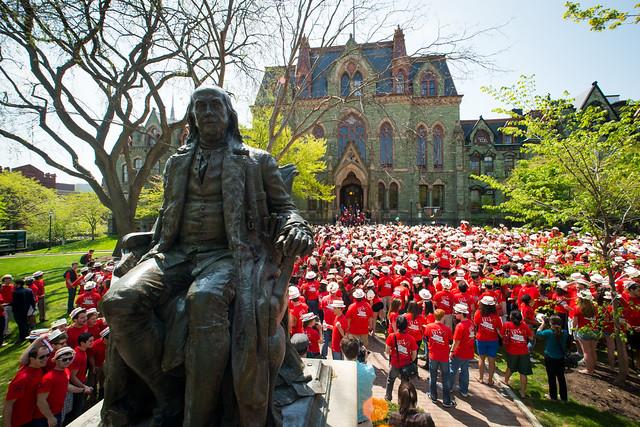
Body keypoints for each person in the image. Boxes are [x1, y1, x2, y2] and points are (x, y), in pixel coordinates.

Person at [102, 87, 315, 427]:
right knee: (119, 300)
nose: (207, 112)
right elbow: (167, 214)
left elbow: (287, 209)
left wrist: (297, 227)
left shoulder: (256, 160)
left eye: (215, 105)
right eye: (199, 107)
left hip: (229, 255)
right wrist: (143, 248)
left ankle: (197, 417)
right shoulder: (176, 162)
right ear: (192, 117)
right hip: (175, 254)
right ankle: (168, 393)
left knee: (204, 298)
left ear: (229, 114)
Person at [33, 347, 89, 427]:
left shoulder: (66, 371)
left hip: (58, 412)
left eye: (70, 358)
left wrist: (83, 389)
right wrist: (50, 417)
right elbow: (41, 401)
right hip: (44, 417)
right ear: (56, 360)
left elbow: (67, 386)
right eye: (64, 359)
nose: (68, 361)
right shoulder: (48, 378)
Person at [3, 344, 49, 427]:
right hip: (20, 421)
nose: (46, 358)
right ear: (31, 359)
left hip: (32, 417)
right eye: (42, 357)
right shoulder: (22, 378)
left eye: (47, 355)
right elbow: (8, 404)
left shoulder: (38, 369)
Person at [340, 337, 375, 426]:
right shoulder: (369, 370)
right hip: (364, 420)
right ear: (358, 351)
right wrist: (365, 361)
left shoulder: (338, 371)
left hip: (345, 420)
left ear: (342, 351)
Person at [424, 309, 454, 407]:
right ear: (443, 317)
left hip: (433, 356)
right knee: (445, 379)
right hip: (444, 357)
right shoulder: (447, 329)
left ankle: (433, 396)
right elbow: (450, 342)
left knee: (433, 377)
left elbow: (426, 338)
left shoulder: (429, 327)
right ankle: (446, 401)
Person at [384, 315, 417, 402]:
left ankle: (388, 398)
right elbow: (414, 355)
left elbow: (387, 351)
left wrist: (394, 353)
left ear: (397, 325)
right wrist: (410, 360)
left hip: (395, 363)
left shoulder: (391, 336)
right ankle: (402, 401)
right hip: (406, 365)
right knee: (404, 385)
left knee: (390, 380)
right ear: (406, 326)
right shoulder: (411, 338)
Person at [536, 315, 568, 401]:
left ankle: (553, 396)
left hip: (550, 357)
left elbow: (538, 333)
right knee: (561, 377)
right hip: (561, 358)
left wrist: (542, 323)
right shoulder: (564, 332)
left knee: (551, 377)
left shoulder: (548, 332)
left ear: (551, 323)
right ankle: (564, 398)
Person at [502, 310, 533, 398]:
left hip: (512, 351)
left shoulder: (507, 325)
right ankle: (523, 392)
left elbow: (502, 334)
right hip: (524, 352)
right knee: (523, 373)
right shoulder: (524, 325)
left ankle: (506, 381)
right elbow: (531, 337)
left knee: (510, 368)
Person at [474, 295, 502, 385]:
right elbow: (499, 329)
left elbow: (475, 324)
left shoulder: (478, 313)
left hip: (481, 338)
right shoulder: (496, 316)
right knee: (492, 360)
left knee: (481, 358)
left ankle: (481, 378)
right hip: (493, 340)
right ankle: (490, 380)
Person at [67, 332, 95, 422]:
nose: (92, 342)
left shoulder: (83, 351)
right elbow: (73, 377)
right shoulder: (78, 356)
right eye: (90, 341)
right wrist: (84, 387)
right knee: (77, 409)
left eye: (93, 340)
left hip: (81, 382)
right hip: (77, 385)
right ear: (82, 343)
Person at [449, 303, 474, 398]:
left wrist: (451, 352)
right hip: (468, 352)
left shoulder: (460, 326)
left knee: (452, 370)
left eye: (456, 313)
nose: (455, 314)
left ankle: (449, 387)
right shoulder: (470, 323)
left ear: (461, 314)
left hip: (459, 352)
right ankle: (464, 390)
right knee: (465, 371)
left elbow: (456, 342)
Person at [572, 290, 599, 374]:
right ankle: (593, 367)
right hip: (595, 330)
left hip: (583, 331)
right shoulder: (595, 307)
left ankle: (589, 370)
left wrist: (573, 329)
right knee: (593, 350)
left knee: (586, 352)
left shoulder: (578, 308)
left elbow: (575, 322)